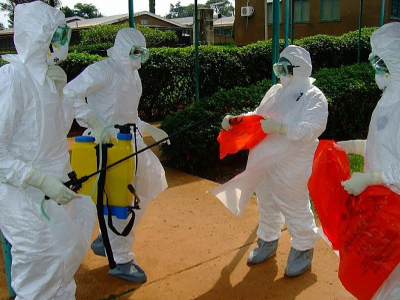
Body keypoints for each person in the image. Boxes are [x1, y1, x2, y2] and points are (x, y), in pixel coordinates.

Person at [0, 2, 96, 299]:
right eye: (60, 34)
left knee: (63, 262)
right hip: (23, 194)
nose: (65, 42)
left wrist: (61, 94)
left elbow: (55, 134)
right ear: (42, 37)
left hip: (58, 187)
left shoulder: (51, 80)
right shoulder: (14, 78)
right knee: (40, 267)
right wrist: (40, 180)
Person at [63, 27, 168, 283]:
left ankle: (107, 237)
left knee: (144, 190)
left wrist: (149, 128)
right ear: (121, 49)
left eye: (143, 53)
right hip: (107, 145)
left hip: (129, 142)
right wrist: (96, 124)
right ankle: (120, 258)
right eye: (135, 51)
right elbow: (69, 93)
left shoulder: (134, 77)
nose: (139, 58)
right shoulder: (104, 70)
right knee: (122, 202)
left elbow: (129, 115)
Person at [213, 45, 328, 277]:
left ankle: (303, 247)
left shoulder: (313, 96)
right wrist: (237, 121)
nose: (281, 74)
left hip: (292, 163)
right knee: (266, 202)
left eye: (286, 68)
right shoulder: (275, 91)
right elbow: (259, 115)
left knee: (294, 205)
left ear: (299, 69)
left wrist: (282, 128)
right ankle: (267, 240)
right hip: (264, 159)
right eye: (279, 68)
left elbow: (313, 127)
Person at [339, 22, 400, 299]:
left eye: (380, 62)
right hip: (379, 207)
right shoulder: (389, 97)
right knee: (375, 277)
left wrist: (371, 178)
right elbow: (383, 147)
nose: (376, 69)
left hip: (394, 213)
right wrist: (352, 147)